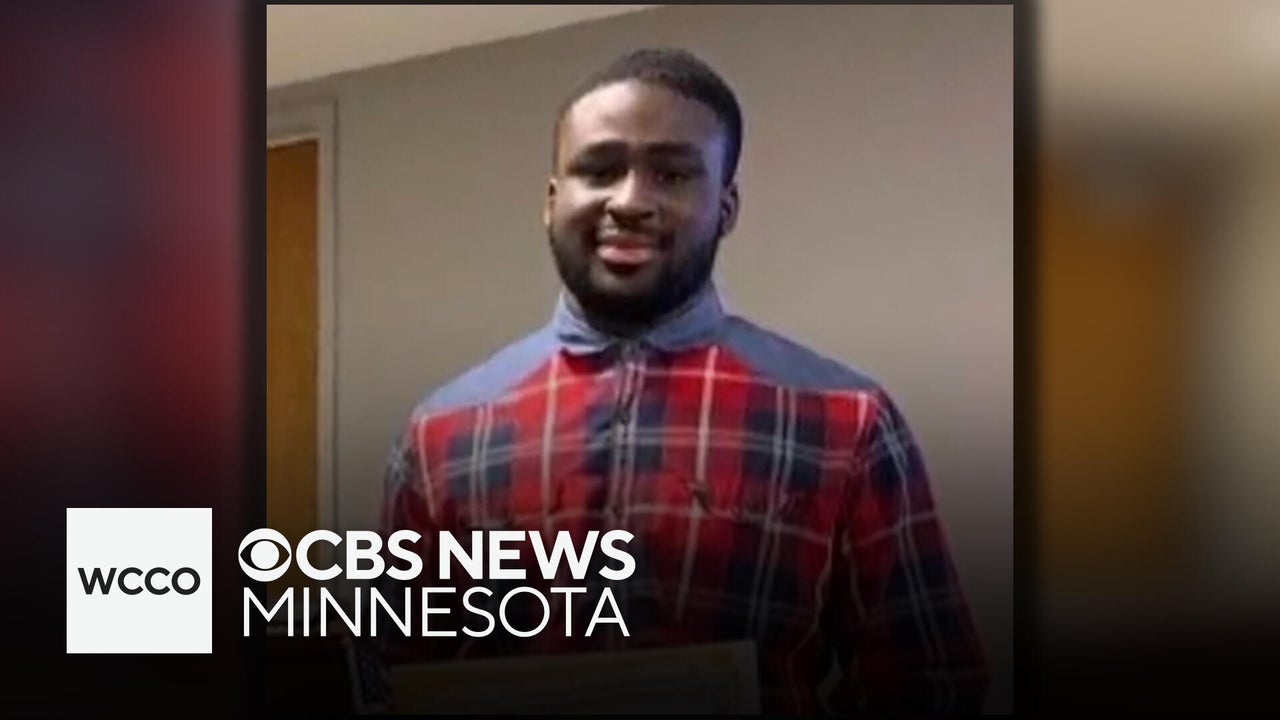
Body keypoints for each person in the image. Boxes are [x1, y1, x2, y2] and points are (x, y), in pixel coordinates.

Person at [378, 47, 989, 714]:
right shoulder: (439, 434)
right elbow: (388, 674)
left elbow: (930, 678)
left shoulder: (848, 421)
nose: (630, 201)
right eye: (599, 170)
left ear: (726, 207)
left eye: (671, 174)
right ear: (552, 202)